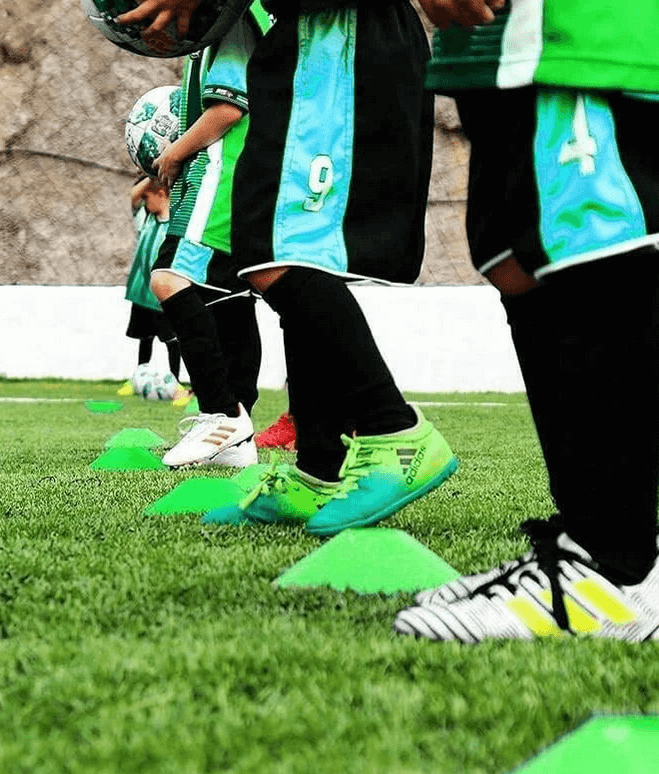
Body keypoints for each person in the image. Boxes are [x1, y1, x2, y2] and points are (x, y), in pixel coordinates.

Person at [388, 0, 659, 642]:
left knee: (592, 234)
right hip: (515, 39)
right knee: (520, 256)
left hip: (592, 24)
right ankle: (585, 545)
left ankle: (620, 566)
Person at [122, 0, 459, 538]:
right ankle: (317, 470)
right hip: (307, 44)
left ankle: (392, 427)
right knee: (284, 255)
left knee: (277, 256)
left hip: (339, 39)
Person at [149, 1, 269, 469]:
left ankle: (221, 413)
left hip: (220, 179)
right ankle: (238, 439)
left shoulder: (232, 19)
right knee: (227, 299)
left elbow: (227, 109)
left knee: (169, 278)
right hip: (233, 181)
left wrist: (175, 153)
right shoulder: (221, 23)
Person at [121, 176, 182, 394]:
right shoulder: (146, 221)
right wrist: (153, 174)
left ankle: (175, 383)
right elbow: (133, 197)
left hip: (164, 292)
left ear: (161, 195)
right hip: (142, 292)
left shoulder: (176, 223)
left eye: (148, 199)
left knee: (172, 339)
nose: (145, 204)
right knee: (144, 337)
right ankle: (140, 377)